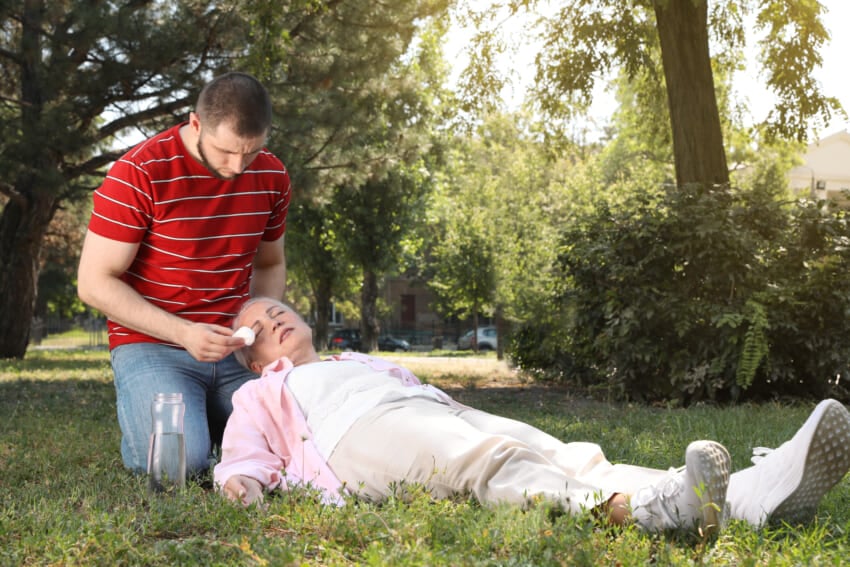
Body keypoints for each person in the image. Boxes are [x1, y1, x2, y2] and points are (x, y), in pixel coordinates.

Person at [214, 300, 841, 534]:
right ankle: (640, 512)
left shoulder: (358, 360)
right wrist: (241, 484)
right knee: (489, 461)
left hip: (427, 407)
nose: (274, 320)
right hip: (353, 435)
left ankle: (752, 495)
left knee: (567, 454)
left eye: (277, 310)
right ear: (253, 357)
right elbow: (242, 459)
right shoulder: (260, 393)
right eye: (258, 327)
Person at [77, 72, 290, 476]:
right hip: (153, 344)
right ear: (196, 124)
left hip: (234, 348)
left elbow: (269, 264)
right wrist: (184, 333)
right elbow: (93, 283)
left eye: (251, 152)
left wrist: (257, 326)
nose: (237, 166)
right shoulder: (139, 172)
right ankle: (187, 421)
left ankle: (210, 418)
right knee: (179, 465)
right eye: (226, 151)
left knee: (293, 444)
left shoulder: (272, 175)